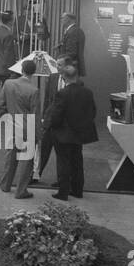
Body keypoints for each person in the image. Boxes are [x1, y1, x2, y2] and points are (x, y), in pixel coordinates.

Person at [47, 61, 98, 200]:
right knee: (77, 162)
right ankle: (77, 190)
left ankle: (63, 192)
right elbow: (92, 112)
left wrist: (53, 126)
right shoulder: (87, 92)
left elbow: (56, 115)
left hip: (63, 134)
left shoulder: (62, 93)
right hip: (80, 134)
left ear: (64, 77)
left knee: (63, 162)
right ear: (77, 76)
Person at [0, 58, 39, 199]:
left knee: (10, 156)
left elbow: (1, 106)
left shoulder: (8, 84)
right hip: (28, 128)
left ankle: (5, 185)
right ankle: (21, 191)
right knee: (26, 161)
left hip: (12, 125)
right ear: (34, 72)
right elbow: (35, 114)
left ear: (21, 70)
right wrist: (38, 135)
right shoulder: (34, 90)